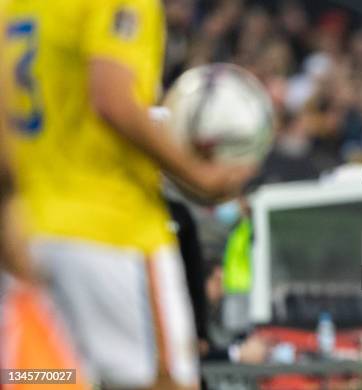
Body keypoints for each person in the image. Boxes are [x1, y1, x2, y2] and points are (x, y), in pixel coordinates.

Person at [0, 0, 254, 389]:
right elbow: (112, 99)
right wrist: (201, 177)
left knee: (49, 375)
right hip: (113, 232)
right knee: (164, 381)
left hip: (32, 228)